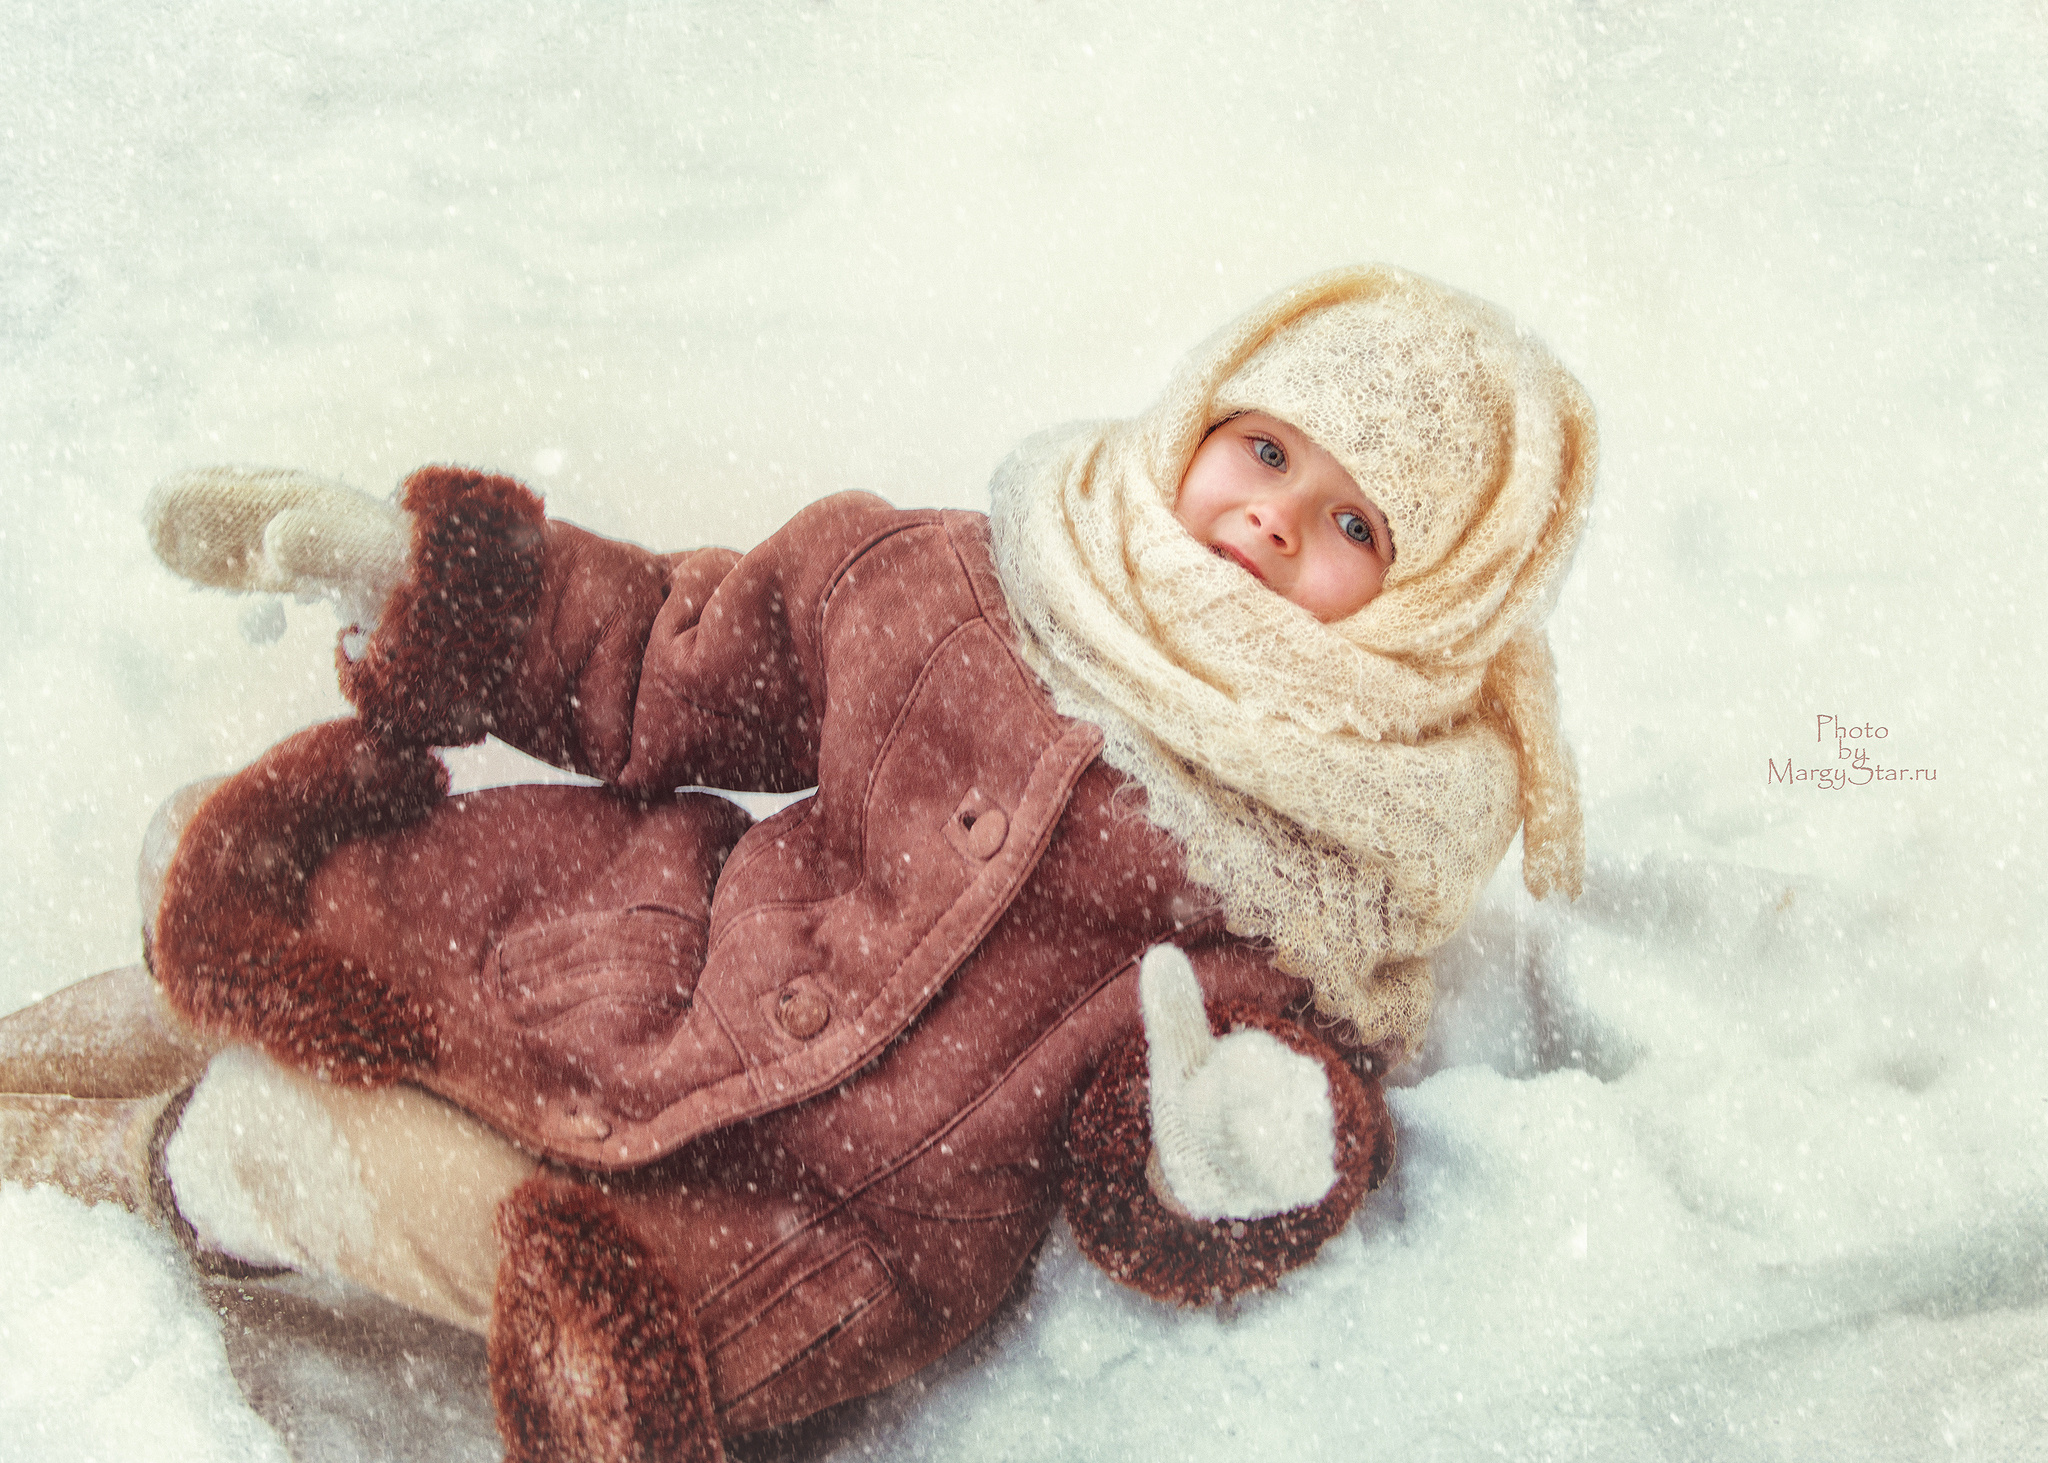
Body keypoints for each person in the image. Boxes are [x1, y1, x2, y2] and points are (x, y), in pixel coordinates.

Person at [0, 265, 1596, 1463]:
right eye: (1262, 452)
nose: (1268, 522)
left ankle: (118, 1168)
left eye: (1355, 529)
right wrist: (428, 583)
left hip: (815, 1231)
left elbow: (1207, 1087)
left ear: (1430, 604)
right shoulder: (966, 586)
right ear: (1197, 419)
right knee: (305, 938)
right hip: (657, 966)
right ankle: (75, 1064)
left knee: (300, 1143)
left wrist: (1229, 1150)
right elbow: (667, 653)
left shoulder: (1326, 859)